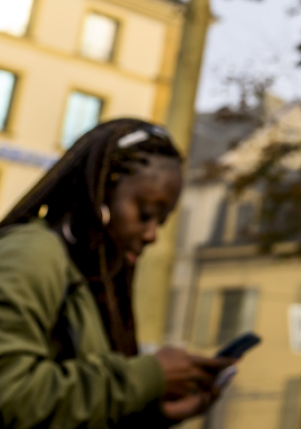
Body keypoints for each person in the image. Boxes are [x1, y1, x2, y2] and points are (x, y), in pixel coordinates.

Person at [0, 119, 231, 427]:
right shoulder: (34, 253)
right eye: (146, 214)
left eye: (161, 222)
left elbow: (67, 410)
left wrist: (154, 415)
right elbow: (10, 396)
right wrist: (149, 375)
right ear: (102, 193)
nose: (152, 235)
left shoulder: (91, 279)